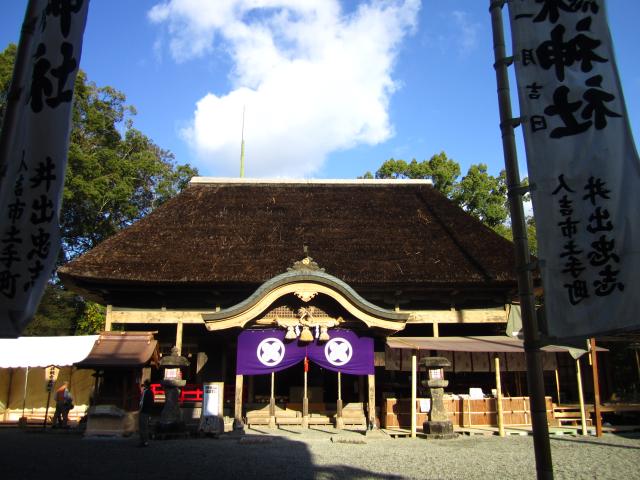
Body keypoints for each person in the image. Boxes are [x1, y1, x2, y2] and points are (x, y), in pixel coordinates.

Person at [138, 379, 154, 446]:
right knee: (143, 426)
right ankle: (143, 441)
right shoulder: (148, 392)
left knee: (144, 427)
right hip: (144, 410)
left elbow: (147, 402)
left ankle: (144, 441)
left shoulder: (148, 392)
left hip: (145, 411)